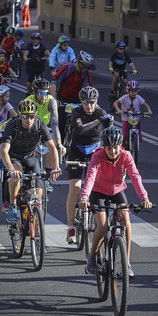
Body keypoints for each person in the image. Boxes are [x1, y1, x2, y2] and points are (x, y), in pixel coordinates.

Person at [79, 126, 153, 278]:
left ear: (121, 146)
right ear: (104, 147)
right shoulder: (97, 156)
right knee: (103, 225)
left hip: (117, 191)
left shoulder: (126, 156)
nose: (113, 152)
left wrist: (144, 197)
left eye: (116, 148)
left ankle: (126, 263)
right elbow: (90, 177)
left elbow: (135, 176)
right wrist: (84, 197)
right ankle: (92, 257)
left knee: (126, 219)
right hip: (98, 192)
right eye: (109, 148)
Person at [0, 100, 62, 223]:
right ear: (20, 114)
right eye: (25, 116)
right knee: (17, 174)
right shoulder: (12, 125)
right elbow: (4, 150)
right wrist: (11, 170)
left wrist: (56, 167)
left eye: (32, 116)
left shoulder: (39, 125)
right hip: (14, 157)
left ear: (36, 114)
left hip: (30, 157)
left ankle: (38, 235)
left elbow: (52, 147)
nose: (29, 120)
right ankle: (12, 205)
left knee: (38, 196)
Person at [64, 86, 113, 243]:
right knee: (75, 187)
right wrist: (99, 121)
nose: (89, 106)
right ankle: (71, 227)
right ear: (81, 102)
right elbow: (80, 130)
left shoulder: (101, 112)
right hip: (77, 150)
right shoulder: (76, 112)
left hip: (94, 151)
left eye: (92, 102)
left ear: (96, 101)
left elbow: (109, 138)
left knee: (96, 185)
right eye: (85, 103)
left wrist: (109, 124)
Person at [24, 78, 63, 189]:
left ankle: (47, 178)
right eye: (40, 93)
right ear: (34, 93)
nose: (44, 96)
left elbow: (55, 123)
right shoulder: (29, 100)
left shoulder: (51, 101)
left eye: (46, 93)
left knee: (53, 147)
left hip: (45, 128)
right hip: (30, 129)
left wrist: (59, 143)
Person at [53, 51, 95, 137]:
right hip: (62, 98)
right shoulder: (67, 68)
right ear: (80, 64)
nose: (87, 70)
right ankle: (59, 144)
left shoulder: (86, 74)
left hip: (76, 99)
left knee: (80, 122)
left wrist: (87, 103)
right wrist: (54, 99)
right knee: (61, 122)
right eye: (86, 67)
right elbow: (54, 83)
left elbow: (87, 89)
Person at [113, 80, 153, 148]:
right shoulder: (124, 97)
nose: (134, 93)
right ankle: (121, 147)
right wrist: (119, 110)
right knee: (125, 134)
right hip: (126, 118)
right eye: (132, 91)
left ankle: (139, 134)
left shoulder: (138, 98)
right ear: (128, 91)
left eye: (135, 91)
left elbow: (146, 105)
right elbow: (115, 103)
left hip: (136, 117)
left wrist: (149, 110)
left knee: (139, 125)